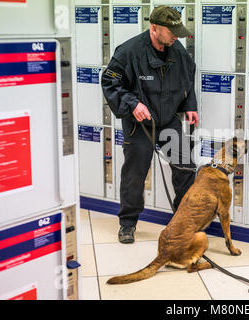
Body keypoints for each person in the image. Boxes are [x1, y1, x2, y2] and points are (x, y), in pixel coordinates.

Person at [101, 6, 199, 244]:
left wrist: (190, 105)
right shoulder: (129, 51)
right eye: (172, 30)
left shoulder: (177, 49)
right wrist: (132, 104)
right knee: (135, 174)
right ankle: (127, 223)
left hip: (168, 122)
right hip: (140, 124)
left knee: (185, 168)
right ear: (154, 28)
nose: (177, 35)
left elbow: (187, 78)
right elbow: (110, 82)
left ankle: (183, 220)